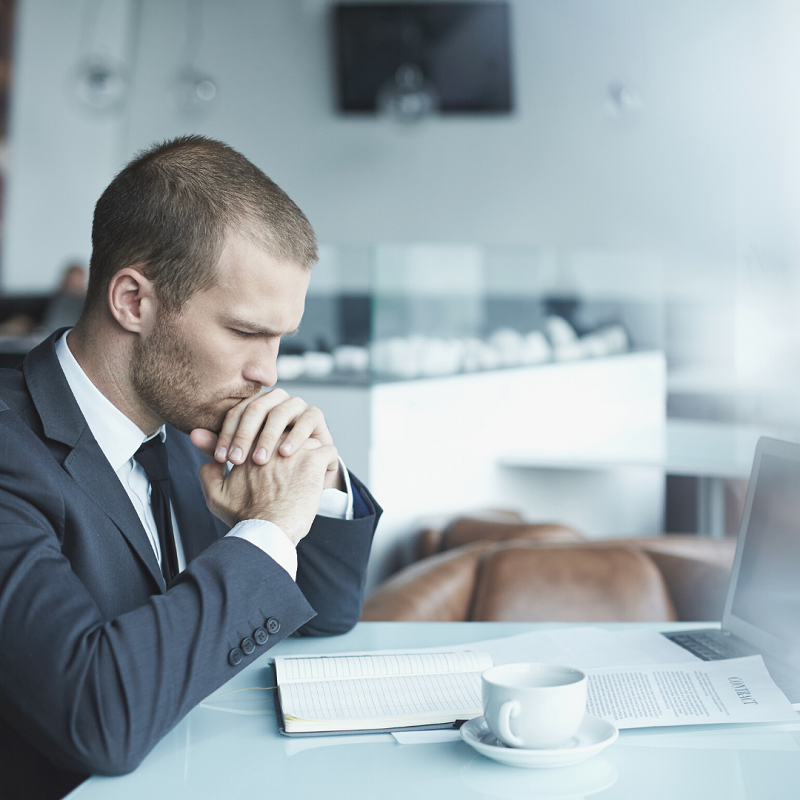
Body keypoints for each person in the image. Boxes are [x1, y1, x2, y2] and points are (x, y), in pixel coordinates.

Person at [0, 136, 380, 799]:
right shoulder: (11, 453)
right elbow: (97, 719)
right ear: (133, 302)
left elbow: (323, 613)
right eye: (245, 332)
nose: (270, 372)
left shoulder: (186, 421)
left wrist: (310, 489)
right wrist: (265, 530)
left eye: (280, 338)